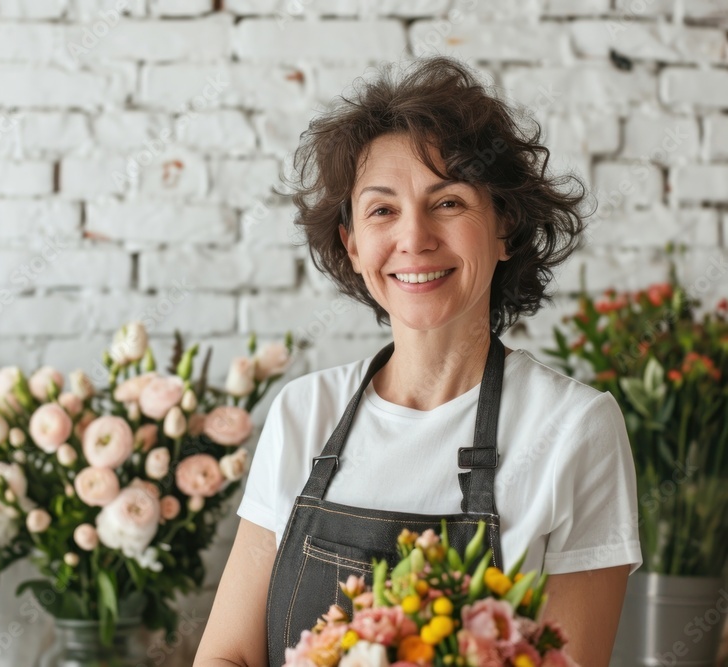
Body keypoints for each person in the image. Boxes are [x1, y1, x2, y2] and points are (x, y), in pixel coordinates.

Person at [194, 56, 642, 667]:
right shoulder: (304, 412)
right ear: (352, 244)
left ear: (504, 225)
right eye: (382, 210)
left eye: (449, 202)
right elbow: (227, 657)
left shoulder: (575, 429)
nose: (415, 238)